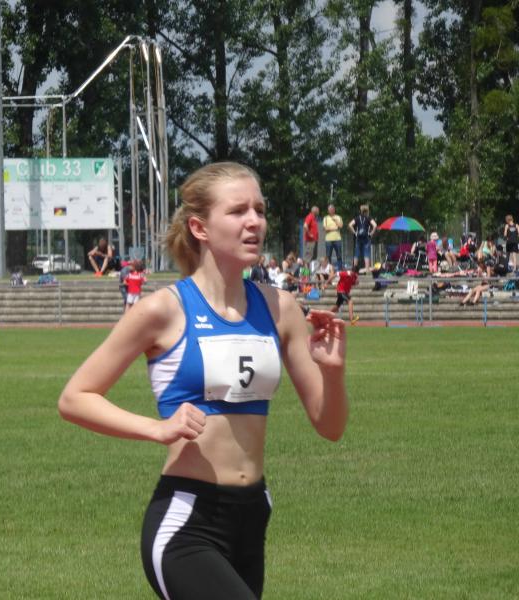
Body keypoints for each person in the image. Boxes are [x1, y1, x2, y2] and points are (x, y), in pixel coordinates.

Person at [58, 162, 348, 600]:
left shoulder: (281, 308)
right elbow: (75, 397)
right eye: (237, 211)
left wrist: (333, 372)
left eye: (259, 210)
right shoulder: (163, 310)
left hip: (252, 518)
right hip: (187, 521)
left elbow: (331, 426)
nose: (254, 221)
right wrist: (157, 428)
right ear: (200, 227)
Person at [348, 204, 376, 273]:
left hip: (358, 237)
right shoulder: (369, 218)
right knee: (366, 253)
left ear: (361, 211)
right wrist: (371, 233)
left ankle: (354, 269)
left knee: (356, 253)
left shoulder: (357, 218)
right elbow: (375, 225)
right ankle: (367, 269)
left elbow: (350, 225)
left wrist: (355, 233)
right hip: (366, 237)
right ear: (367, 211)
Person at [323, 204, 344, 270]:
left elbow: (340, 226)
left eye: (332, 209)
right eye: (329, 210)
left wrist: (336, 221)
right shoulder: (325, 218)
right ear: (328, 211)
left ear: (334, 210)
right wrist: (335, 228)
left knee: (339, 255)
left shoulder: (338, 217)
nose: (331, 211)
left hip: (337, 239)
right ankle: (329, 270)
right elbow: (325, 229)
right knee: (328, 256)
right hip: (328, 240)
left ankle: (339, 270)